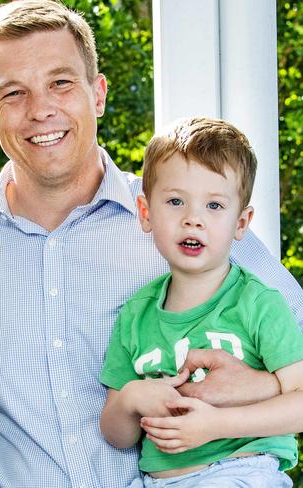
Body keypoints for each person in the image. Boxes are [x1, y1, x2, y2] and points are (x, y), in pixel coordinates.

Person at [0, 1, 303, 487]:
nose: (41, 110)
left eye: (61, 82)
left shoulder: (189, 222)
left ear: (97, 94)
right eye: (14, 93)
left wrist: (262, 386)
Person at [100, 117, 303, 487]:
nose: (193, 219)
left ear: (241, 223)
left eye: (214, 206)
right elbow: (118, 435)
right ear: (146, 213)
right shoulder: (136, 315)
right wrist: (130, 398)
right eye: (176, 201)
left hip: (240, 473)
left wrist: (216, 425)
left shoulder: (258, 304)